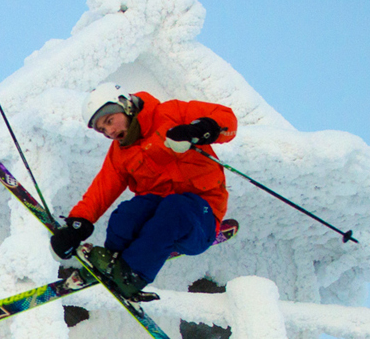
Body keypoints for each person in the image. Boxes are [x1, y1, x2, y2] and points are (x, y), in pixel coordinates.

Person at [49, 83, 238, 300]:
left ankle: (132, 276)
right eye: (102, 130)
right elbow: (101, 190)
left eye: (109, 121)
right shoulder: (120, 153)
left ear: (126, 106)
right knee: (127, 214)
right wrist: (76, 226)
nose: (109, 132)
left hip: (200, 216)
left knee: (174, 208)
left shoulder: (170, 114)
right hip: (159, 216)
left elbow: (226, 118)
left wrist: (197, 130)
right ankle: (113, 263)